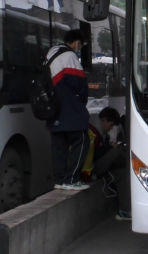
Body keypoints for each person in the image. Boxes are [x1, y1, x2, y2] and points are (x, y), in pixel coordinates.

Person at [48, 30, 91, 191]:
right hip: (69, 107)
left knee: (59, 144)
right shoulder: (69, 56)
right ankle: (71, 180)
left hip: (53, 108)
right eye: (81, 45)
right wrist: (83, 100)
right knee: (82, 140)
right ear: (78, 42)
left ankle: (59, 181)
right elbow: (78, 83)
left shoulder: (51, 53)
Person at [82, 107, 131, 220]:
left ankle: (123, 211)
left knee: (122, 173)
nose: (111, 129)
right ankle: (130, 165)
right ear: (103, 120)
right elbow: (93, 154)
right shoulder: (91, 131)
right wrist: (109, 147)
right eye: (111, 125)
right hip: (89, 170)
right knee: (115, 152)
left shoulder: (101, 134)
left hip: (99, 167)